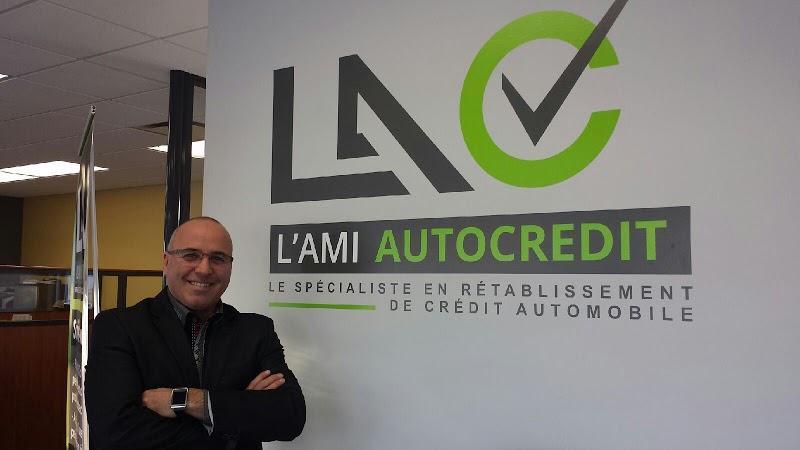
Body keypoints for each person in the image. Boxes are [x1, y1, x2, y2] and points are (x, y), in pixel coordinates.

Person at [86, 217, 305, 449]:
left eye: (218, 258)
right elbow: (116, 434)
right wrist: (236, 418)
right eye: (191, 255)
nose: (204, 269)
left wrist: (189, 400)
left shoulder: (256, 331)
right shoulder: (119, 327)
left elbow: (291, 417)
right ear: (166, 262)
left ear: (230, 267)